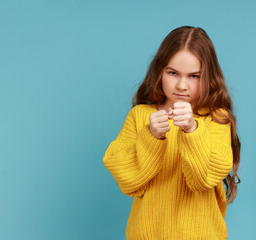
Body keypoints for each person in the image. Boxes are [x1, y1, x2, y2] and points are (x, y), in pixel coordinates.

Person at [103, 26, 241, 240]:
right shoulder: (140, 116)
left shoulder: (216, 119)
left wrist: (192, 130)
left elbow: (201, 180)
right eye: (173, 73)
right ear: (160, 71)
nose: (182, 85)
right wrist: (151, 137)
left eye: (194, 76)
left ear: (208, 77)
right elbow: (128, 181)